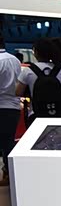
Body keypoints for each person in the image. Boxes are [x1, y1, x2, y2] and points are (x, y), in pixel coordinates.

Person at [15, 38, 61, 121]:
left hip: (36, 114)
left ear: (36, 53)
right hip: (58, 114)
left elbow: (18, 92)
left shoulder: (28, 71)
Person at [0, 35, 21, 187]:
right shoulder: (15, 60)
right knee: (8, 141)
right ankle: (10, 173)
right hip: (13, 106)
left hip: (1, 105)